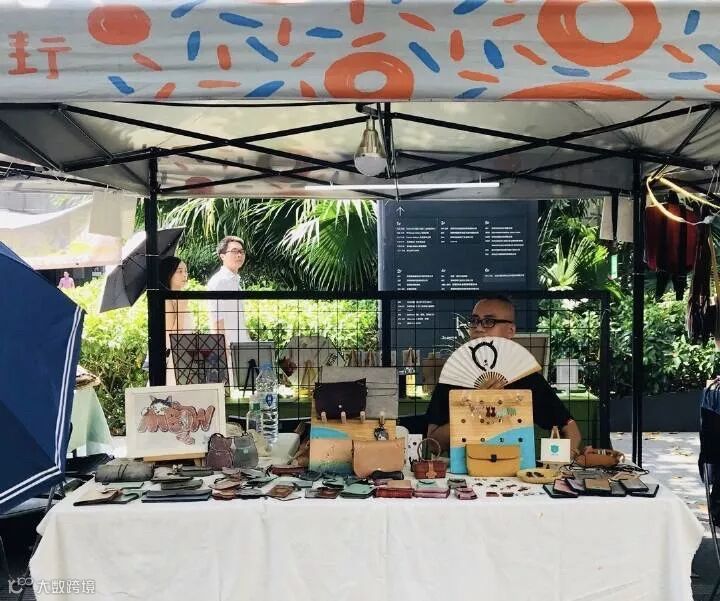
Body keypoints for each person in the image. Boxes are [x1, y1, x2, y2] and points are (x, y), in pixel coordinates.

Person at [425, 295, 583, 455]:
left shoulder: (526, 378)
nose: (478, 328)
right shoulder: (455, 375)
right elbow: (433, 444)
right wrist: (475, 408)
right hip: (465, 466)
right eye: (474, 321)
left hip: (515, 466)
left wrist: (560, 461)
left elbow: (571, 430)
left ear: (510, 331)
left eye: (488, 321)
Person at [160, 256, 193, 385]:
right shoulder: (167, 300)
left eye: (186, 271)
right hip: (174, 360)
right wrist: (181, 309)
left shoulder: (180, 298)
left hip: (187, 355)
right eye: (179, 271)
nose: (184, 275)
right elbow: (173, 335)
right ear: (169, 274)